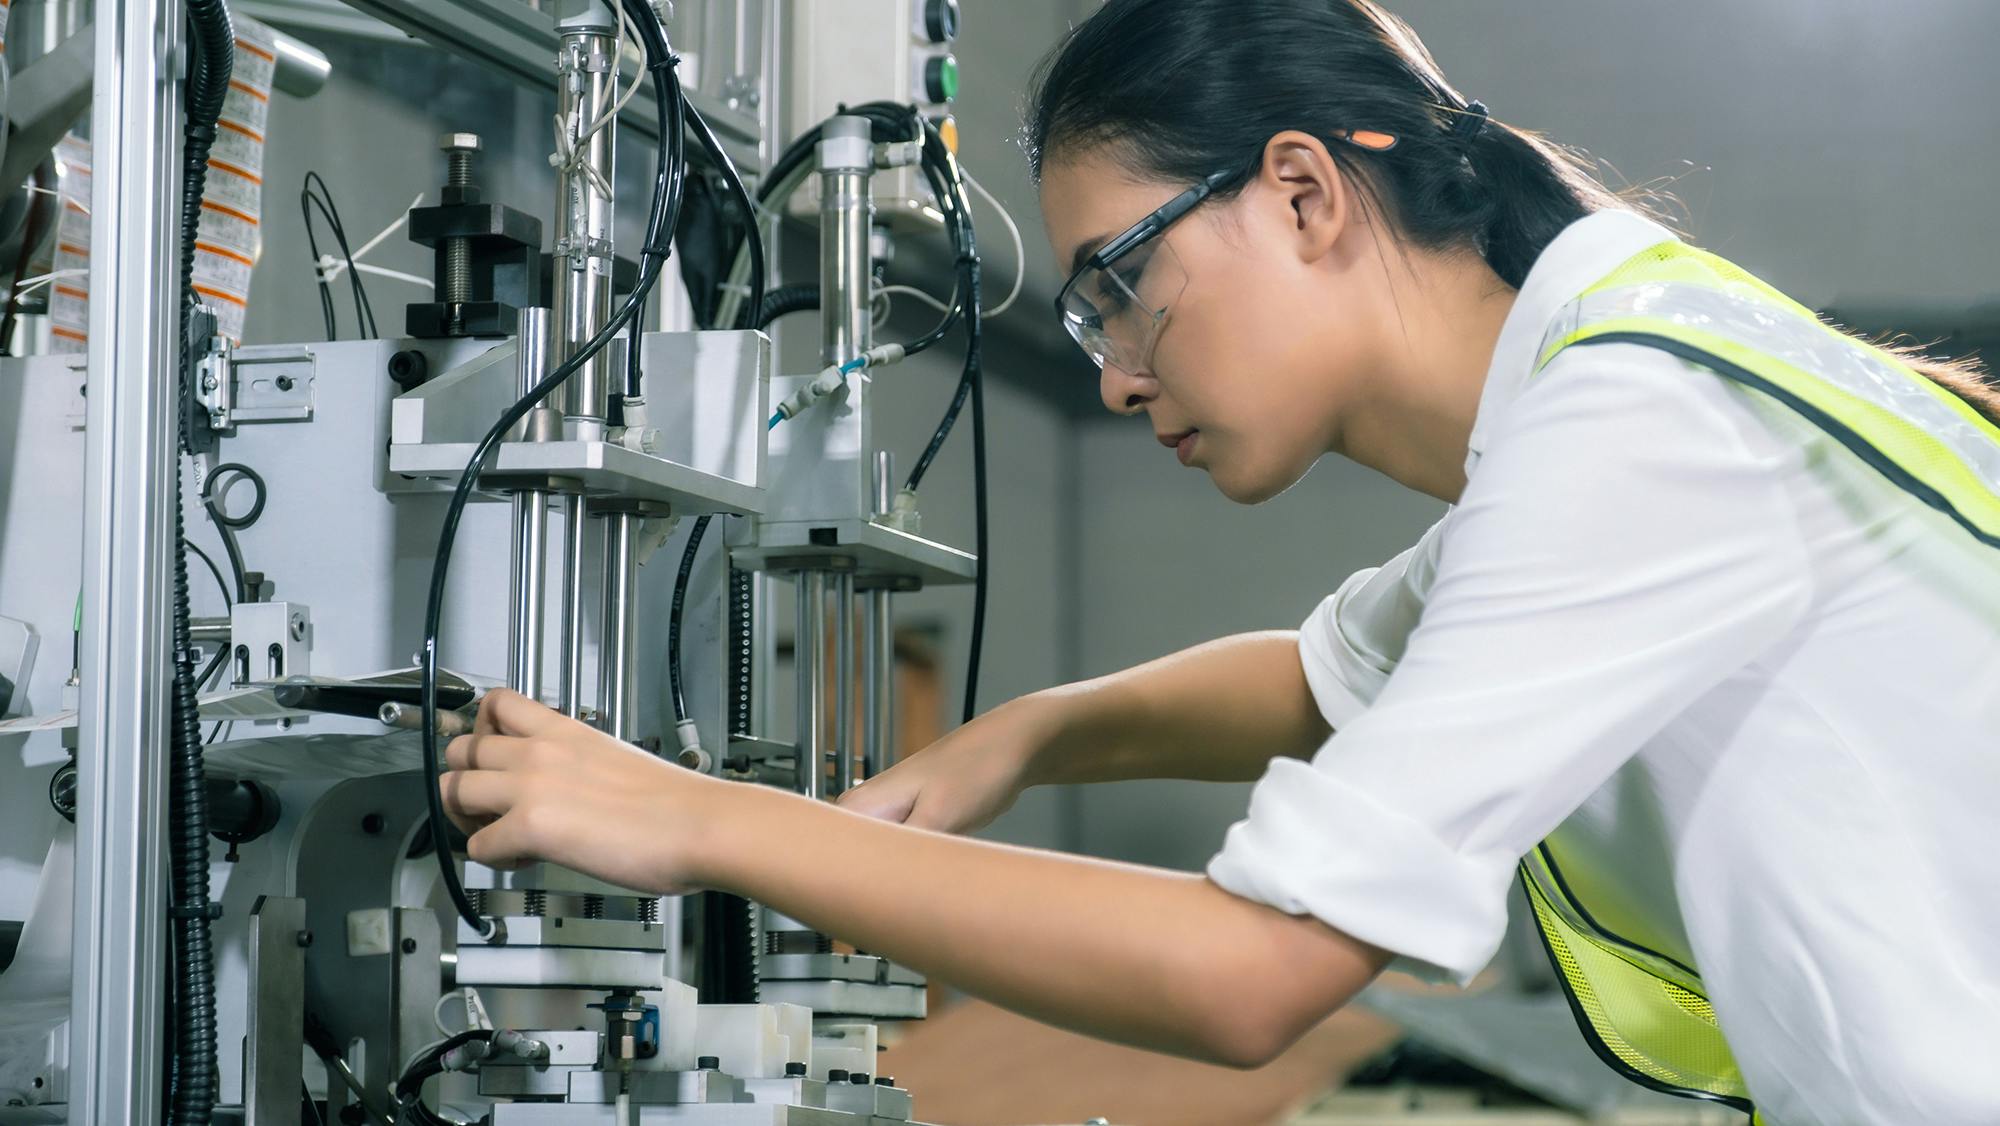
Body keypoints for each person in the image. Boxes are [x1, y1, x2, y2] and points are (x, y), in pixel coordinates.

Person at [439, 1, 2000, 1120]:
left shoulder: (1634, 427)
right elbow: (1319, 679)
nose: (1115, 376)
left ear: (1305, 192)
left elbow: (1244, 975)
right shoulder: (1621, 381)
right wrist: (1022, 737)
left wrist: (704, 820)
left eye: (1123, 286)